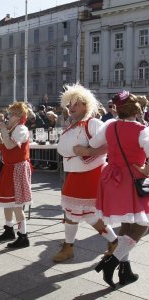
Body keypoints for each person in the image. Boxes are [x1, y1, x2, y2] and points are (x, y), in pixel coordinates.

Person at [83, 91, 149, 288]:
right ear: (137, 110)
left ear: (117, 109)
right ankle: (111, 262)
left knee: (128, 226)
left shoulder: (110, 125)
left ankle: (125, 270)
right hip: (132, 181)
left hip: (112, 179)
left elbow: (94, 143)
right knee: (141, 225)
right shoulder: (142, 130)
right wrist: (147, 168)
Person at [53, 83, 118, 263]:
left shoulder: (93, 123)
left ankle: (69, 247)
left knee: (76, 212)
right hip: (74, 173)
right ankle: (113, 241)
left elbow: (110, 146)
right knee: (86, 214)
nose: (71, 107)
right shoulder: (72, 126)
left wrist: (88, 152)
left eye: (76, 103)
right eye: (69, 104)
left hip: (90, 174)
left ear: (86, 105)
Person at [0, 102, 32, 248]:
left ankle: (23, 236)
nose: (9, 116)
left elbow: (10, 145)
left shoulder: (21, 129)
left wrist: (3, 130)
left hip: (17, 168)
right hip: (9, 167)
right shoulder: (14, 128)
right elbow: (5, 147)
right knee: (7, 201)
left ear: (18, 116)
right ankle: (9, 229)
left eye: (12, 114)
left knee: (17, 204)